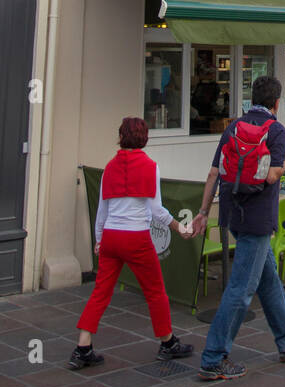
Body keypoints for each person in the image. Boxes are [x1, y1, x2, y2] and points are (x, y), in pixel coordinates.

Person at [191, 76, 285, 381]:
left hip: (233, 214)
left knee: (268, 277)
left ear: (251, 99)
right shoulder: (276, 131)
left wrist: (204, 212)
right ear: (277, 103)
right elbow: (272, 176)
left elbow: (213, 173)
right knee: (241, 288)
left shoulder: (233, 127)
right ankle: (213, 357)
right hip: (259, 218)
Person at [71, 117, 195, 370]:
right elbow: (156, 209)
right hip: (136, 236)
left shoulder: (109, 168)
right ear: (144, 137)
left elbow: (102, 211)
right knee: (155, 292)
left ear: (121, 136)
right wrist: (179, 227)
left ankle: (83, 346)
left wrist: (98, 240)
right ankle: (167, 342)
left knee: (101, 292)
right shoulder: (150, 166)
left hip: (111, 236)